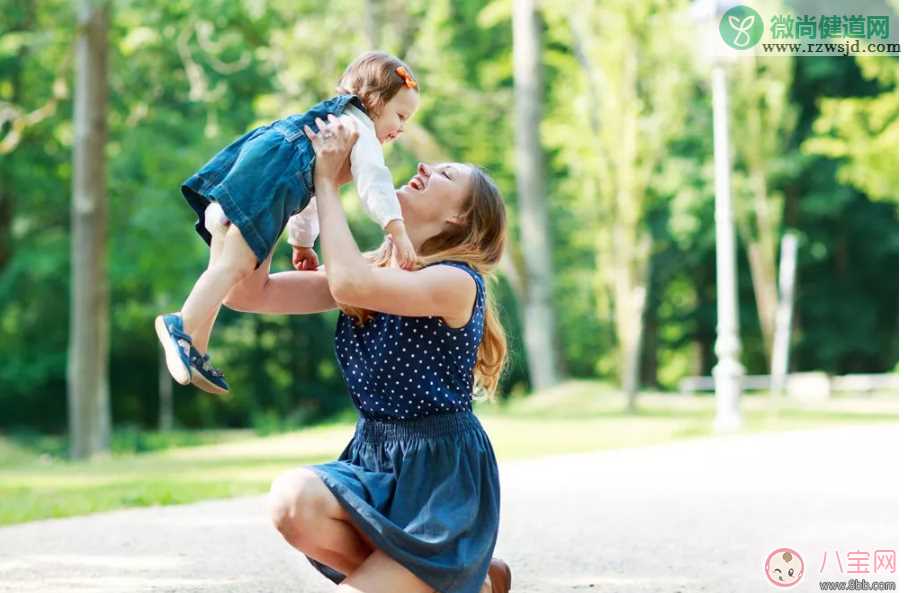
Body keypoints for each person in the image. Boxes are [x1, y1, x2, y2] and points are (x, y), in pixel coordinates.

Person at [218, 115, 513, 592]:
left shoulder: (456, 283)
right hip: (374, 460)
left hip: (441, 483)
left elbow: (350, 281)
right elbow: (250, 294)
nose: (424, 166)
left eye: (446, 175)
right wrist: (271, 199)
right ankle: (460, 585)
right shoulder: (371, 272)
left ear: (460, 218)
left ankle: (448, 576)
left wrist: (326, 183)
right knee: (291, 500)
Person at [155, 51, 419, 395]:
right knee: (234, 267)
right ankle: (180, 326)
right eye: (400, 116)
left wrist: (303, 241)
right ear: (373, 101)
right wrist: (396, 230)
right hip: (263, 188)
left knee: (221, 268)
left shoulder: (330, 127)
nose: (400, 129)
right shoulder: (359, 132)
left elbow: (308, 185)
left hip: (243, 176)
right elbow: (375, 183)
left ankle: (197, 350)